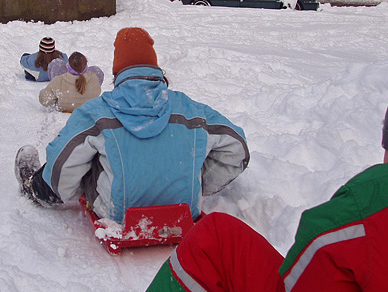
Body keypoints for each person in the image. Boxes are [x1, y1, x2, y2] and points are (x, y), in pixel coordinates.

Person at [127, 74, 388, 292]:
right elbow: (235, 145)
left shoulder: (382, 195)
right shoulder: (186, 106)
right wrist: (202, 183)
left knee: (216, 239)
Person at [15, 27, 249, 223]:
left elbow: (61, 168)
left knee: (79, 154)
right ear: (155, 69)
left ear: (118, 72)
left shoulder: (98, 113)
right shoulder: (192, 111)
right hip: (183, 209)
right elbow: (237, 149)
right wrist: (195, 179)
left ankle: (35, 188)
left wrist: (71, 189)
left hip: (117, 213)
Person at [38, 51, 105, 112]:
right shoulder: (94, 79)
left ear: (68, 66)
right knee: (96, 70)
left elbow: (44, 100)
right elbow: (97, 93)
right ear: (85, 67)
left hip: (64, 109)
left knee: (56, 64)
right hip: (87, 108)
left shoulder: (58, 80)